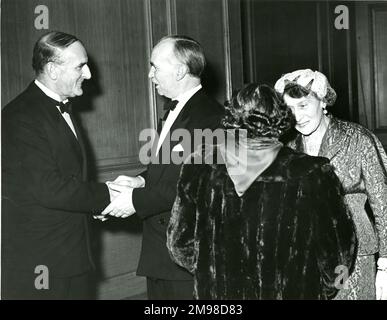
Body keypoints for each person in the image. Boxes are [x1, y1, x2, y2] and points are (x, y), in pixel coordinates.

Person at [166, 83, 357, 300]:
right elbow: (341, 251)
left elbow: (178, 245)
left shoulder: (198, 163)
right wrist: (328, 288)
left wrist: (211, 271)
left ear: (232, 116)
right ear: (281, 117)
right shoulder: (313, 172)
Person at [99, 35, 224, 299]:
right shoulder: (171, 112)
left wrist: (135, 201)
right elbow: (172, 170)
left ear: (180, 71)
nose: (149, 74)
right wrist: (141, 181)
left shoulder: (215, 119)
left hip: (189, 256)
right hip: (160, 252)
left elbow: (198, 187)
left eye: (155, 66)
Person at [1, 31, 113, 299]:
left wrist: (95, 203)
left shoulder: (58, 107)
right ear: (52, 69)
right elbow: (48, 188)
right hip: (42, 265)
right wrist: (108, 195)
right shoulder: (21, 116)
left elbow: (69, 177)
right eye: (80, 66)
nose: (88, 74)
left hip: (69, 255)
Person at [274, 68, 387, 300]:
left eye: (303, 106)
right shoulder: (287, 147)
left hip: (353, 256)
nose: (297, 116)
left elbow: (384, 204)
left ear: (323, 101)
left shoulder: (357, 138)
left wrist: (385, 264)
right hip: (305, 257)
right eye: (289, 109)